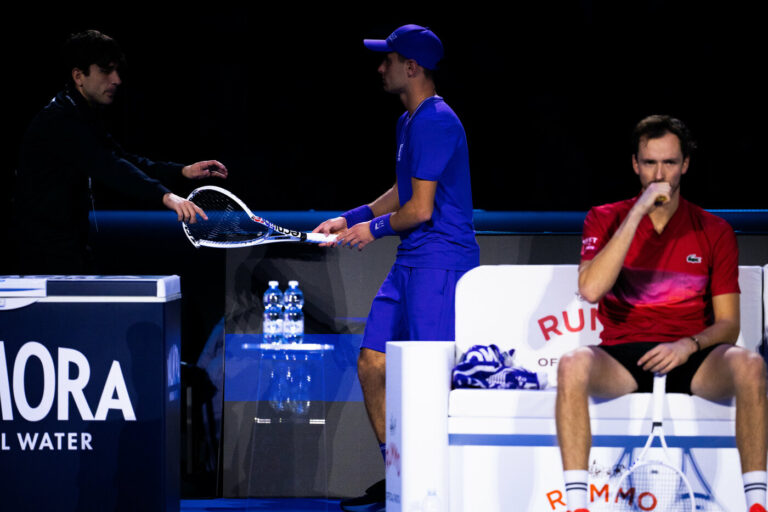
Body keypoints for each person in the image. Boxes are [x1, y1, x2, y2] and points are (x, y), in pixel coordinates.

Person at [555, 115, 767, 512]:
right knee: (570, 365)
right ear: (635, 165)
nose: (660, 174)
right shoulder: (604, 218)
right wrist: (636, 213)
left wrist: (688, 345)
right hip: (623, 353)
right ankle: (577, 505)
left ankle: (758, 503)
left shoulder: (714, 229)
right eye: (650, 163)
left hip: (693, 356)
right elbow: (590, 289)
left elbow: (729, 324)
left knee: (751, 366)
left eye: (669, 163)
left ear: (685, 164)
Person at [313, 24, 479, 511]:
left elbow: (420, 210)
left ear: (412, 67)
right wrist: (353, 217)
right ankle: (399, 472)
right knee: (373, 364)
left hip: (441, 265)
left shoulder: (437, 121)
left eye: (388, 59)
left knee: (434, 378)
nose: (380, 66)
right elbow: (403, 192)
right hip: (411, 261)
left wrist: (374, 230)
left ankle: (443, 483)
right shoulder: (408, 122)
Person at [14, 29, 227, 274]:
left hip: (68, 248)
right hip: (43, 257)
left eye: (116, 70)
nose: (116, 79)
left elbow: (123, 160)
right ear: (78, 76)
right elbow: (111, 167)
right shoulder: (60, 120)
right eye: (105, 70)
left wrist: (183, 171)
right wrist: (166, 196)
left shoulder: (80, 114)